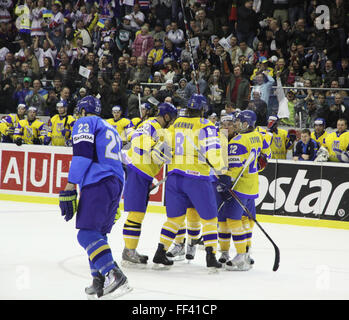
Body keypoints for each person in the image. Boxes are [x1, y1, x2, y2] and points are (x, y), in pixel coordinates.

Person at [58, 95, 132, 300]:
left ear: (82, 111)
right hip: (115, 182)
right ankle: (98, 280)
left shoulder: (85, 122)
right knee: (99, 234)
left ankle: (113, 275)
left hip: (98, 181)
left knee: (86, 234)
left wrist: (70, 183)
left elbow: (82, 155)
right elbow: (123, 162)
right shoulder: (111, 128)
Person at [152, 94, 226, 272]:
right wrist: (220, 169)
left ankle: (160, 251)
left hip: (174, 177)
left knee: (174, 219)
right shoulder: (206, 125)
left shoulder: (175, 123)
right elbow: (214, 153)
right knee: (209, 218)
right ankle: (211, 256)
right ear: (202, 109)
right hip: (196, 178)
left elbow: (158, 152)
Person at [121, 102, 178, 268]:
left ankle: (130, 249)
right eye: (172, 118)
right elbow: (138, 139)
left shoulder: (161, 130)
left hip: (143, 173)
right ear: (166, 116)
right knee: (136, 213)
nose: (173, 122)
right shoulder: (150, 124)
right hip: (138, 170)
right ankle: (129, 251)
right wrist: (154, 147)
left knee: (138, 213)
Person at [215, 110, 271, 271]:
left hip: (239, 187)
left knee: (233, 220)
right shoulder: (259, 135)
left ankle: (240, 256)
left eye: (238, 122)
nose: (235, 124)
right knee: (246, 220)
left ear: (246, 123)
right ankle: (245, 252)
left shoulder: (238, 141)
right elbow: (266, 154)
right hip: (252, 185)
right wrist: (261, 162)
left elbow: (233, 169)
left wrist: (225, 182)